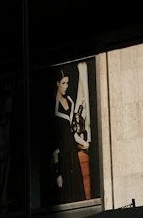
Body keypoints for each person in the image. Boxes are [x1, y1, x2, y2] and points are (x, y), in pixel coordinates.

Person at [49, 66, 87, 202]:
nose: (66, 86)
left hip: (72, 155)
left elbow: (72, 133)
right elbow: (53, 143)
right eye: (63, 83)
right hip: (62, 158)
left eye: (67, 83)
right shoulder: (53, 107)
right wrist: (57, 172)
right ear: (57, 84)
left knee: (77, 192)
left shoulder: (70, 102)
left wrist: (85, 143)